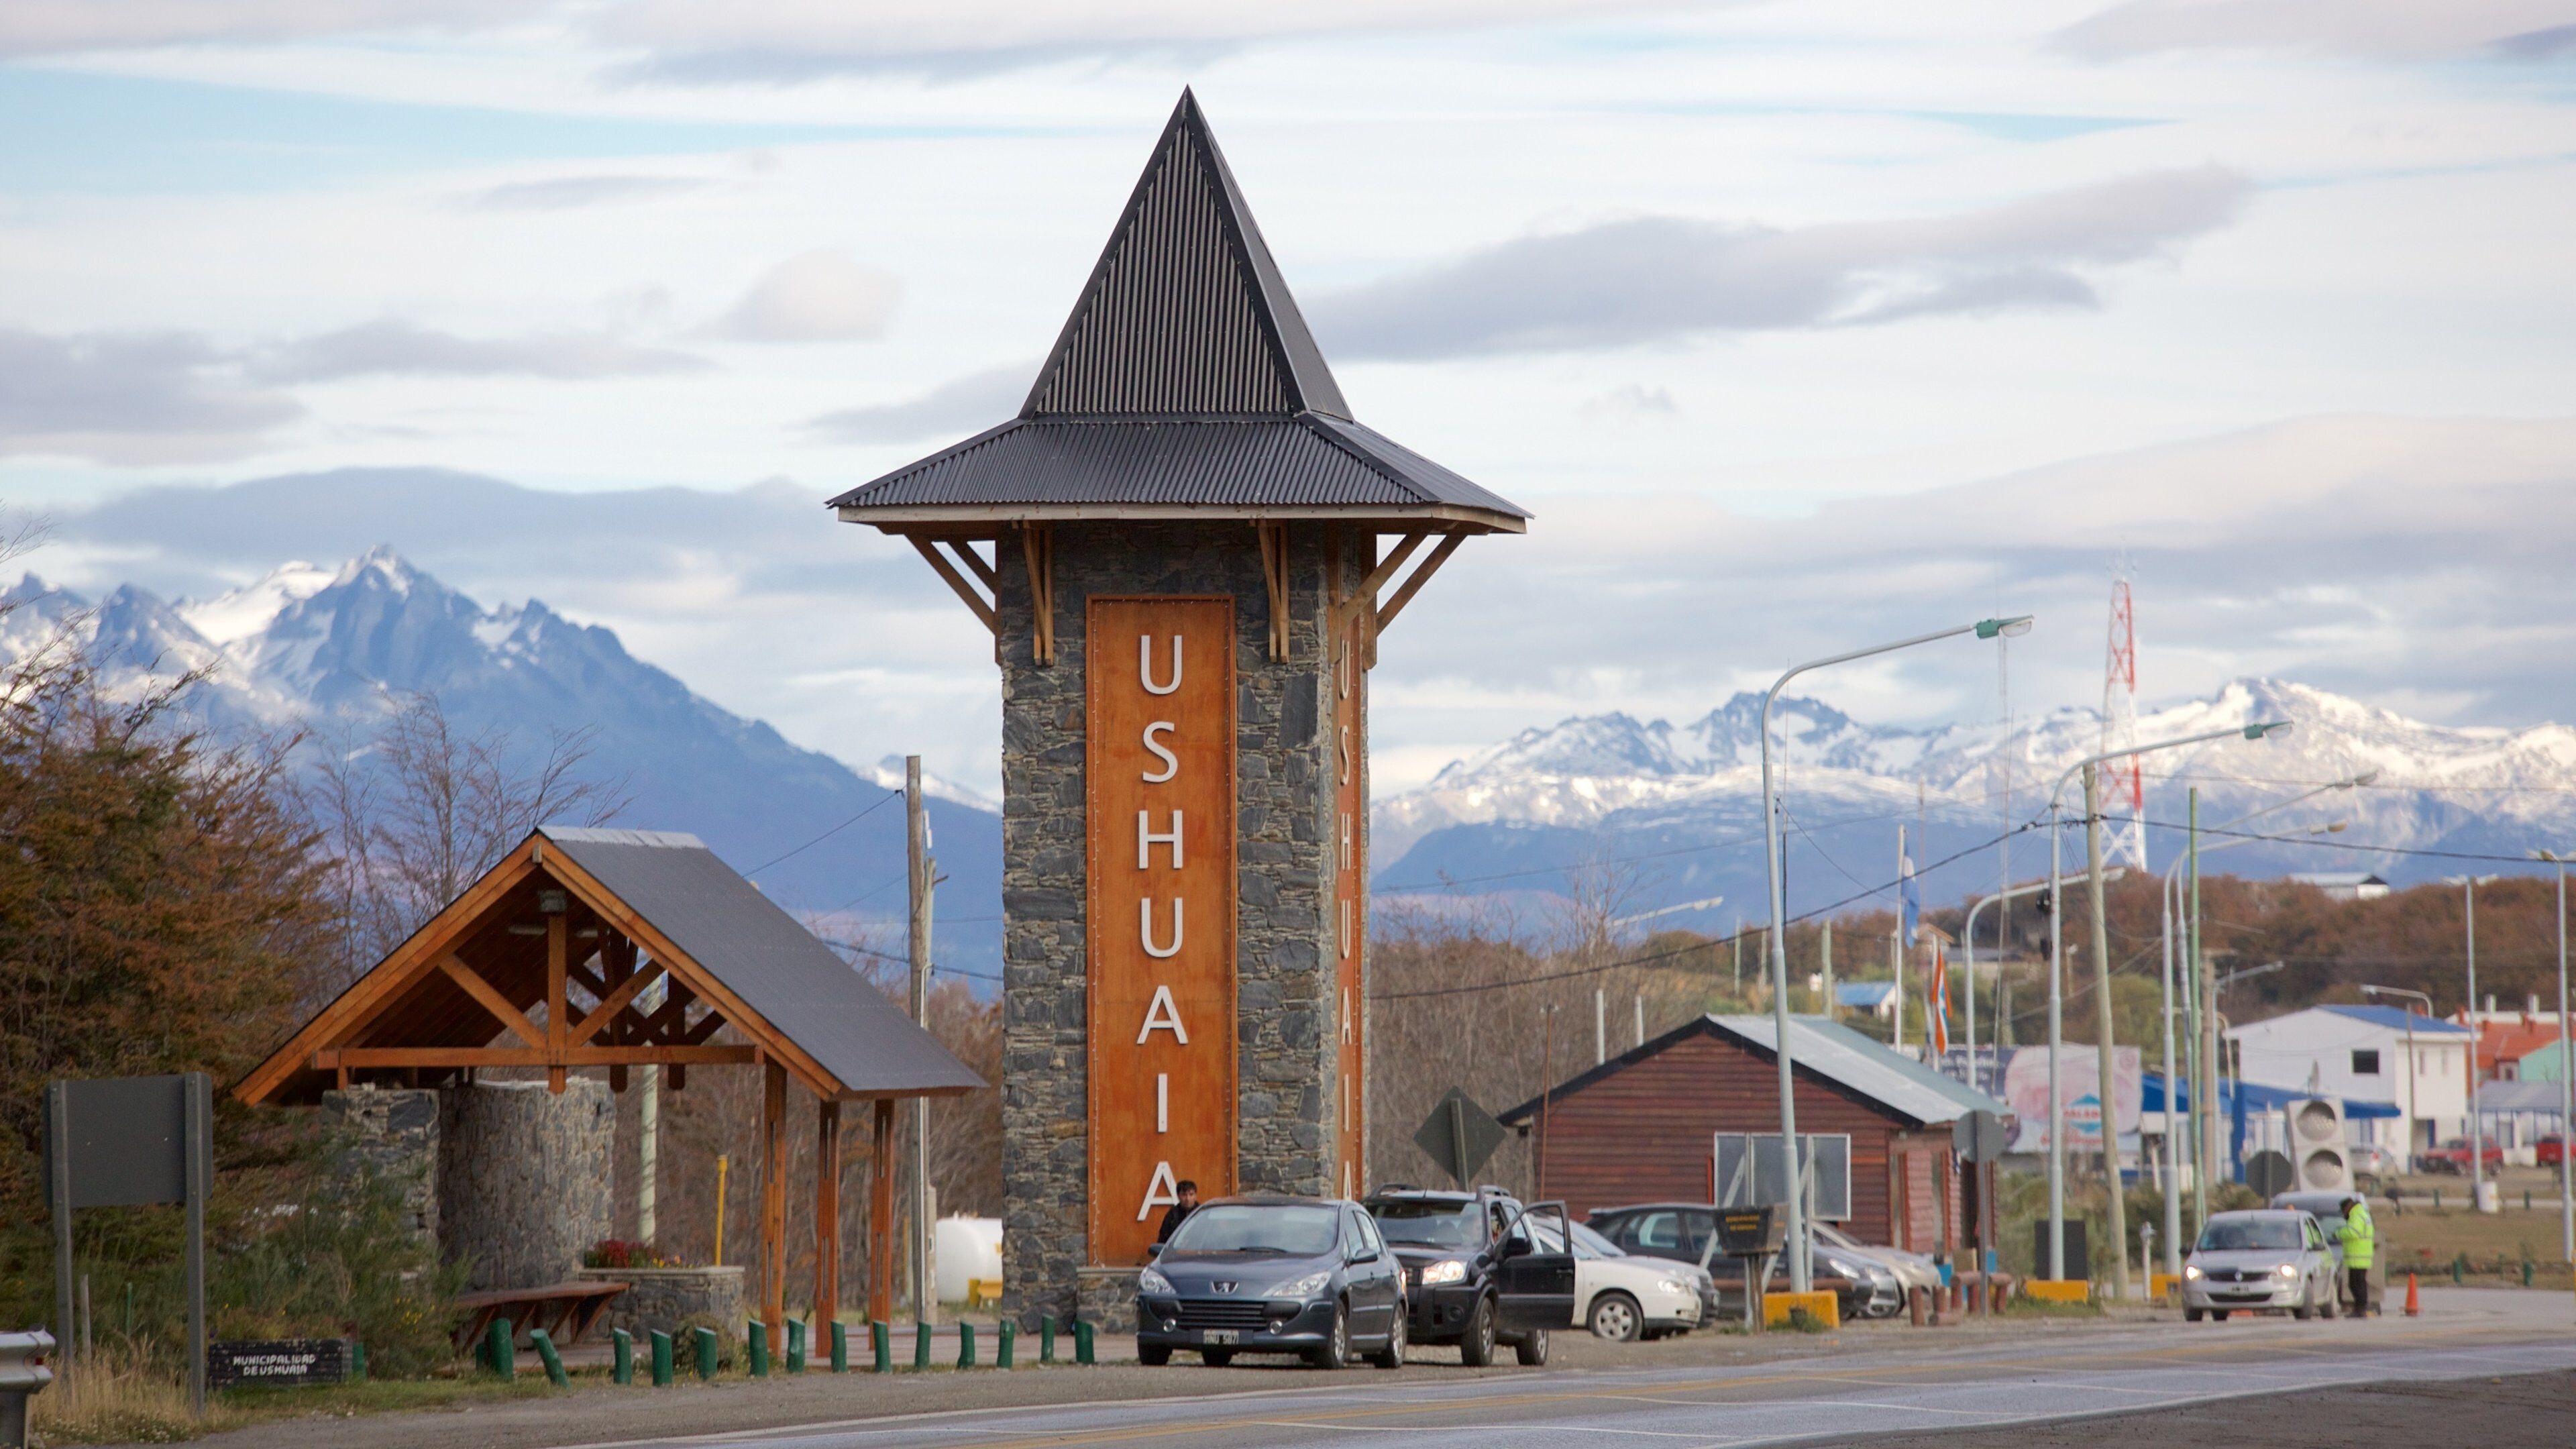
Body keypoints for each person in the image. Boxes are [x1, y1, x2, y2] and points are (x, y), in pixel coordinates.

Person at [2337, 1195, 2375, 1316]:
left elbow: (2353, 1232)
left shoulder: (2356, 1215)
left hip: (2357, 1257)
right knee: (2359, 1284)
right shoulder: (2363, 1214)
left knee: (2356, 1284)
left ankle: (2360, 1309)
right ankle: (2361, 1308)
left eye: (2344, 1211)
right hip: (2362, 1257)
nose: (2344, 1214)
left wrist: (2339, 1233)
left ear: (2348, 1207)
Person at [1157, 1180, 1200, 1244]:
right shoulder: (1172, 1215)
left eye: (1191, 1195)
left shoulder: (1203, 1213)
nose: (1188, 1199)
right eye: (1184, 1195)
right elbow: (1163, 1241)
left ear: (1195, 1196)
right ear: (1178, 1196)